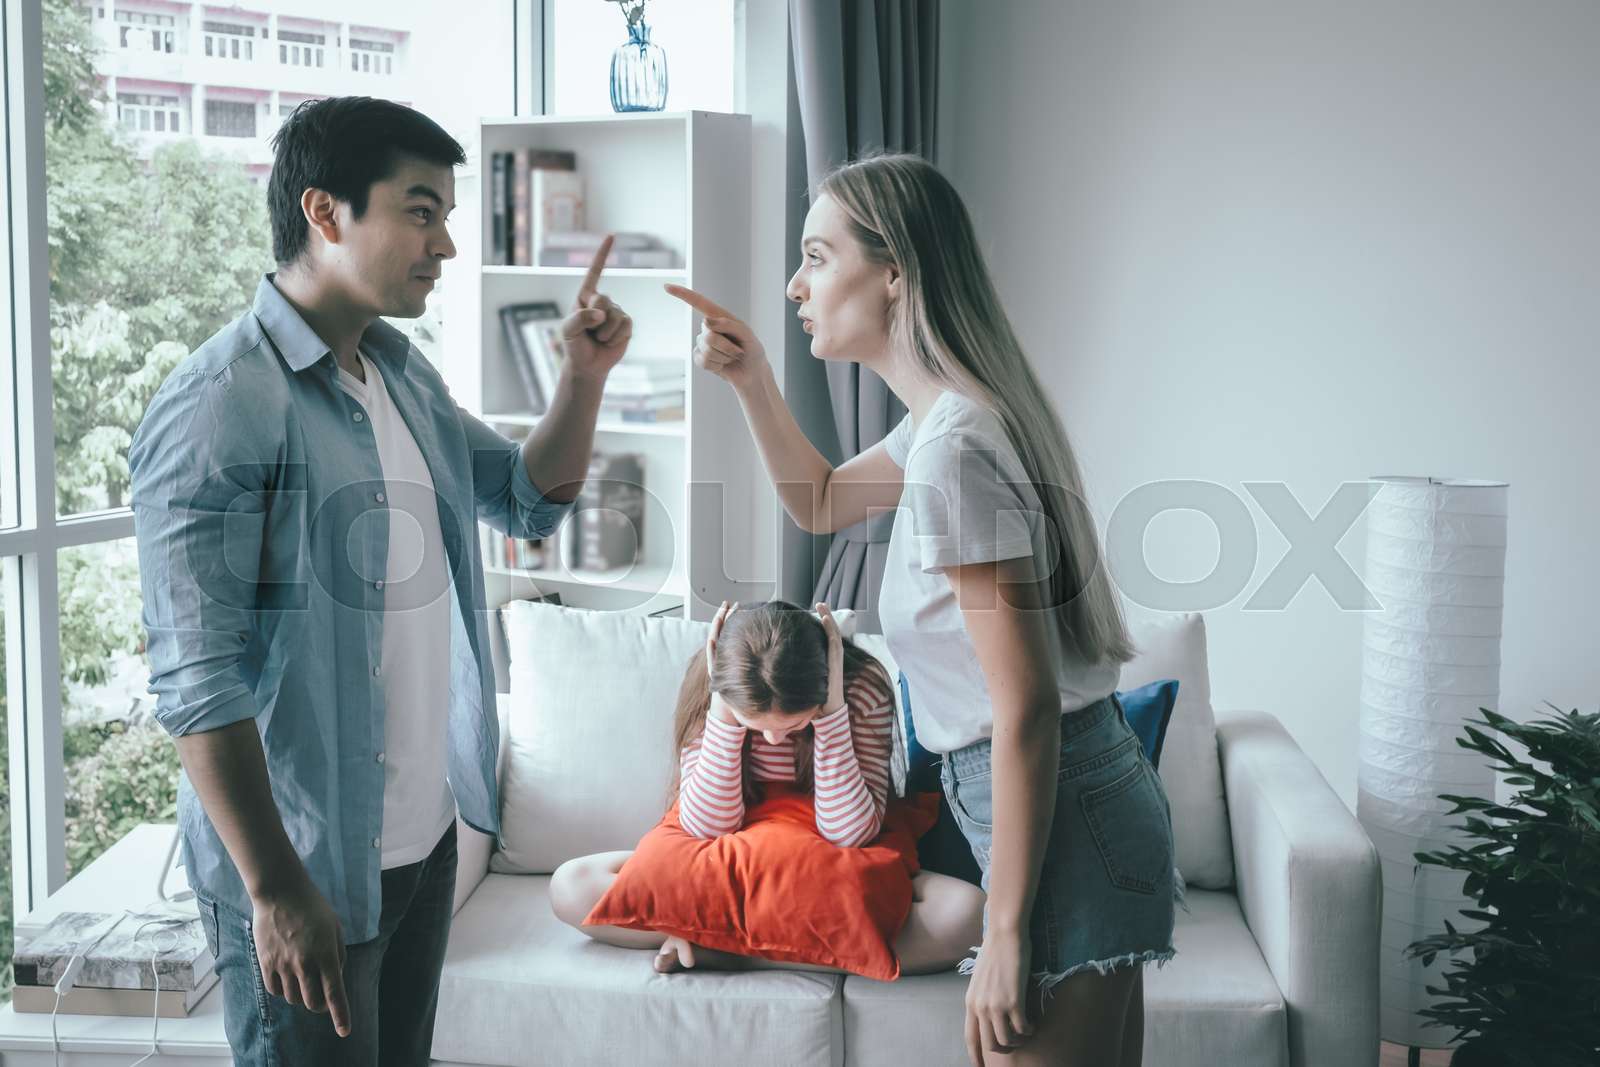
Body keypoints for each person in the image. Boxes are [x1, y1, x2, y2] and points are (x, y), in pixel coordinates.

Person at [127, 96, 631, 1066]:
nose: (445, 244)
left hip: (424, 846)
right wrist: (275, 889)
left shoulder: (401, 374)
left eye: (445, 215)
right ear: (325, 212)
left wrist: (583, 377)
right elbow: (197, 680)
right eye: (420, 211)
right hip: (304, 872)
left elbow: (527, 501)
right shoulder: (222, 402)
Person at [664, 154, 1179, 1067]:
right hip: (1069, 802)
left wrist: (1006, 931)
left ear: (894, 272)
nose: (795, 286)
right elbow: (821, 499)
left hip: (1058, 811)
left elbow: (1025, 707)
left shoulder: (954, 451)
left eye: (817, 256)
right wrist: (751, 380)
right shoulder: (945, 421)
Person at [549, 599, 985, 976]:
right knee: (570, 886)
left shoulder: (861, 688)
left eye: (794, 725)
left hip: (826, 857)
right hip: (726, 855)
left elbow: (849, 833)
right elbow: (706, 826)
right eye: (757, 726)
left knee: (968, 915)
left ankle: (727, 950)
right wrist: (724, 710)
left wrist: (832, 713)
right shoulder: (713, 687)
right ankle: (797, 949)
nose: (775, 740)